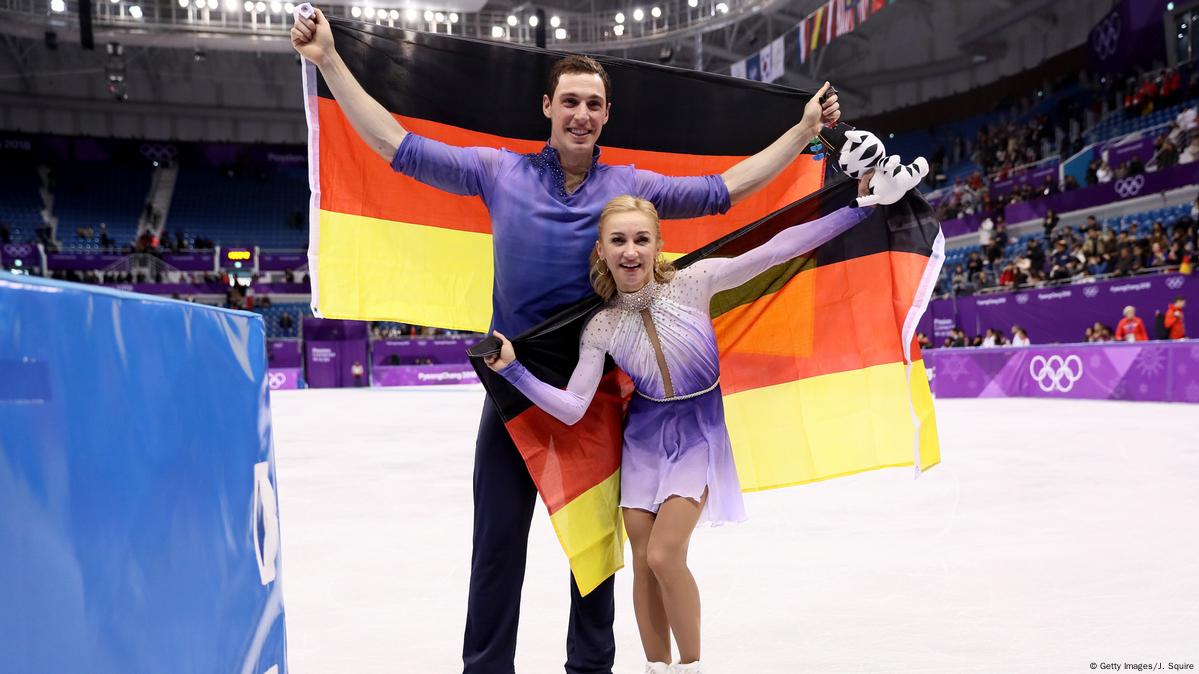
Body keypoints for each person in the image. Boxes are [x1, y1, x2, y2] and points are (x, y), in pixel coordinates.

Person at [290, 8, 844, 673]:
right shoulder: (497, 173)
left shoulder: (630, 188)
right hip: (513, 382)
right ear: (547, 107)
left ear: (605, 116)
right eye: (570, 101)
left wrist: (803, 132)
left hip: (597, 382)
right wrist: (327, 61)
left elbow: (725, 190)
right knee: (496, 545)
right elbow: (397, 147)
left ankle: (590, 667)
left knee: (594, 550)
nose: (581, 114)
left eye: (594, 104)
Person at [484, 163, 922, 674]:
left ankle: (690, 667)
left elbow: (776, 250)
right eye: (619, 241)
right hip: (643, 440)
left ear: (657, 244)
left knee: (665, 555)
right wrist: (513, 372)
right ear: (601, 250)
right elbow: (573, 406)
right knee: (643, 560)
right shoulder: (600, 327)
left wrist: (859, 208)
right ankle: (656, 667)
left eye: (641, 239)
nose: (631, 251)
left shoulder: (696, 282)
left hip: (698, 432)